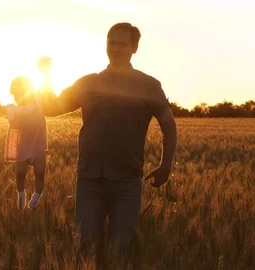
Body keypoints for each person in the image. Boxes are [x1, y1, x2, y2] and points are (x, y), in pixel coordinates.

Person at [39, 23, 178, 257]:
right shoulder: (88, 83)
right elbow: (50, 108)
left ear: (134, 48)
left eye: (122, 44)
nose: (115, 48)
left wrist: (166, 166)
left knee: (120, 250)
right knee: (85, 249)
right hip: (89, 178)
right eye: (111, 42)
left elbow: (169, 125)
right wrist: (44, 76)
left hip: (127, 180)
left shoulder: (148, 85)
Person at [0, 76, 48, 209]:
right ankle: (21, 195)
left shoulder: (38, 104)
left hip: (38, 144)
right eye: (15, 94)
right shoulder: (13, 109)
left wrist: (45, 74)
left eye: (20, 93)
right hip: (22, 146)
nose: (18, 97)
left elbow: (46, 97)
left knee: (40, 173)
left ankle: (37, 196)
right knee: (20, 173)